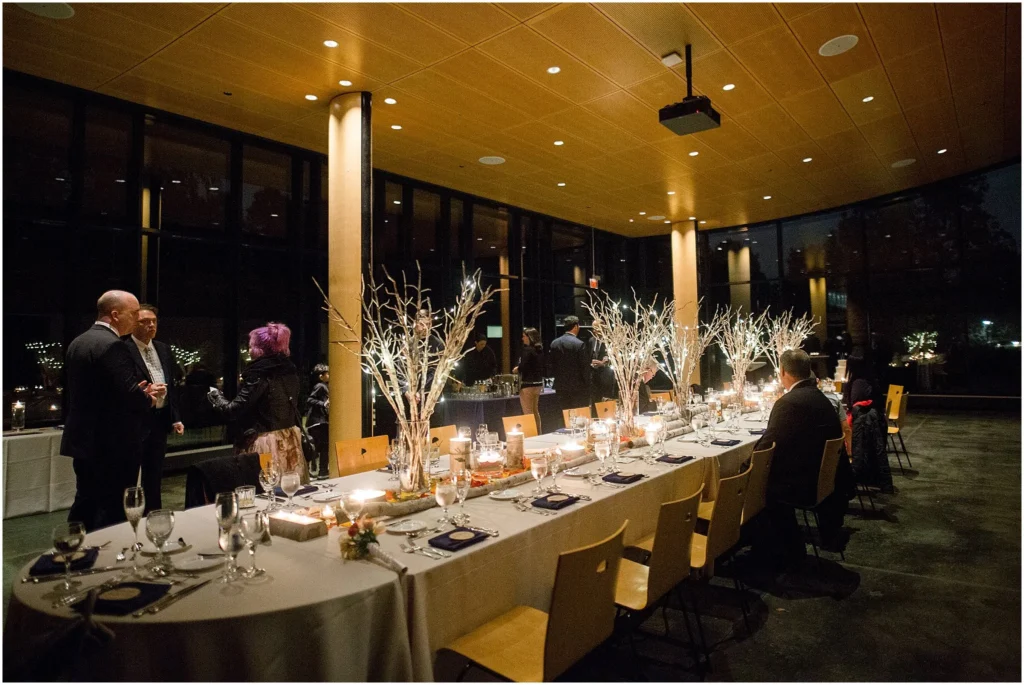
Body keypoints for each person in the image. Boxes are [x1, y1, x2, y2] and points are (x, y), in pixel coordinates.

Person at [61, 290, 160, 530]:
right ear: (115, 315)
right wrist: (147, 397)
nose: (137, 319)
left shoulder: (79, 342)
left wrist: (133, 392)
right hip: (112, 443)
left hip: (83, 440)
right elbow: (129, 395)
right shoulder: (113, 345)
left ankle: (76, 546)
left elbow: (96, 391)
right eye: (133, 313)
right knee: (113, 507)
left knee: (85, 500)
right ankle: (110, 551)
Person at [754, 349, 844, 568]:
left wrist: (748, 463)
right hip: (824, 478)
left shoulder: (789, 403)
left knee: (756, 483)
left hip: (804, 483)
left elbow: (768, 445)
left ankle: (779, 548)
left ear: (782, 372)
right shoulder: (819, 397)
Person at [207, 323, 308, 481]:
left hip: (264, 443)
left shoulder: (259, 373)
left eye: (251, 346)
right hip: (289, 440)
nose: (249, 350)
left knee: (263, 489)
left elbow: (233, 410)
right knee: (290, 489)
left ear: (259, 349)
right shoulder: (290, 370)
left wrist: (215, 396)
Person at [124, 304, 183, 513]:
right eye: (144, 321)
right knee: (129, 476)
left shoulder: (163, 348)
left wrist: (175, 417)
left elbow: (171, 385)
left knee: (154, 475)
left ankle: (155, 516)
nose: (151, 325)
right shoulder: (123, 349)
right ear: (133, 323)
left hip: (160, 419)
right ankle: (127, 518)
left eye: (154, 321)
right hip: (135, 421)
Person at [847, 378, 894, 494]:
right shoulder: (871, 381)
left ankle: (850, 480)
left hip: (863, 419)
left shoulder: (858, 382)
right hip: (874, 418)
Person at [548, 316, 591, 411]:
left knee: (564, 413)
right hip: (577, 386)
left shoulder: (554, 343)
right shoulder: (579, 344)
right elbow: (584, 367)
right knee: (579, 413)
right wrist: (587, 384)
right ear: (575, 326)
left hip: (560, 385)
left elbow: (551, 364)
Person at [513, 328, 545, 432]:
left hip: (527, 384)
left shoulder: (527, 350)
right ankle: (538, 432)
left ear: (529, 337)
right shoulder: (539, 350)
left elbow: (523, 366)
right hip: (538, 384)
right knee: (535, 411)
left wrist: (517, 369)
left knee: (528, 412)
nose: (522, 338)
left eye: (524, 336)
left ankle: (531, 434)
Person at [306, 363, 330, 481]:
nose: (329, 375)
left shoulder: (322, 386)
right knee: (324, 447)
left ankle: (315, 471)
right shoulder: (321, 386)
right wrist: (323, 404)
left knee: (318, 448)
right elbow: (310, 399)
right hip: (319, 421)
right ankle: (322, 471)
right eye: (327, 374)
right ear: (321, 376)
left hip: (316, 422)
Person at [588, 324, 616, 405]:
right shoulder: (591, 340)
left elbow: (614, 357)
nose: (594, 330)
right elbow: (589, 355)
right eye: (593, 328)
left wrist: (603, 363)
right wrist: (591, 362)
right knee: (594, 400)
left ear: (603, 328)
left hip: (606, 376)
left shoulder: (609, 341)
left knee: (606, 401)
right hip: (594, 376)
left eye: (596, 328)